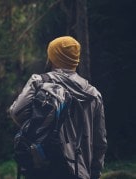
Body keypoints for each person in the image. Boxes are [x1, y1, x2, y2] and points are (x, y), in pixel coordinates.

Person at [9, 36, 107, 179]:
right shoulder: (93, 94)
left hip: (43, 164)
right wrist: (95, 172)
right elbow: (100, 141)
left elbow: (16, 113)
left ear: (53, 57)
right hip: (79, 170)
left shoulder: (40, 82)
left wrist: (38, 124)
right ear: (76, 59)